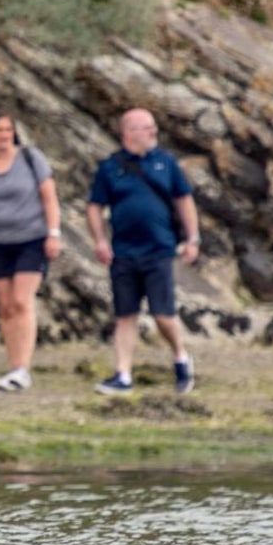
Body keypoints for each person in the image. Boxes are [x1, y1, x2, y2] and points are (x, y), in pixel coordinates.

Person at [85, 107, 200, 396]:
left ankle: (181, 358)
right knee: (125, 314)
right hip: (123, 252)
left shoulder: (166, 162)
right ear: (129, 132)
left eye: (153, 127)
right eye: (147, 128)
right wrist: (100, 240)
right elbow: (95, 206)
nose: (153, 133)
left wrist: (193, 238)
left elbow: (184, 200)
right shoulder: (110, 167)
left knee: (163, 315)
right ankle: (123, 374)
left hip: (159, 250)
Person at [0, 111, 63, 392]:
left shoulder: (32, 158)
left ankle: (23, 369)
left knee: (21, 301)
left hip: (32, 239)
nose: (4, 135)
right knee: (6, 307)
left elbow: (50, 198)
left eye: (8, 129)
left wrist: (53, 234)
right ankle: (14, 365)